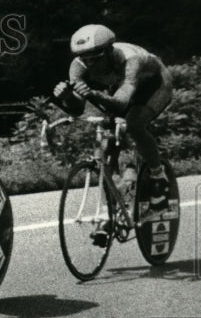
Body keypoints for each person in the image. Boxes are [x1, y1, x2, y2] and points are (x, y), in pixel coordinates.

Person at [53, 24, 174, 210]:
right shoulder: (78, 66)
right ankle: (116, 195)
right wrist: (67, 96)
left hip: (154, 85)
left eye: (96, 58)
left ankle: (159, 176)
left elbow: (121, 104)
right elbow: (77, 109)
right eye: (85, 59)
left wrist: (92, 94)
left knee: (134, 124)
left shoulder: (131, 60)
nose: (90, 64)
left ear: (109, 51)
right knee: (107, 138)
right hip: (120, 87)